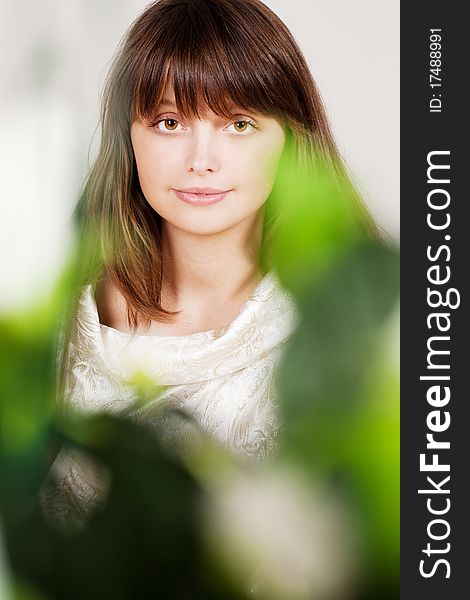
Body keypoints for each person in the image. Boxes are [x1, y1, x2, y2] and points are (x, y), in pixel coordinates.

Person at [40, 0, 375, 528]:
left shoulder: (345, 331)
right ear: (128, 135)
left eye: (238, 124)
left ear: (290, 136)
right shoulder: (54, 312)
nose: (201, 159)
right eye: (170, 122)